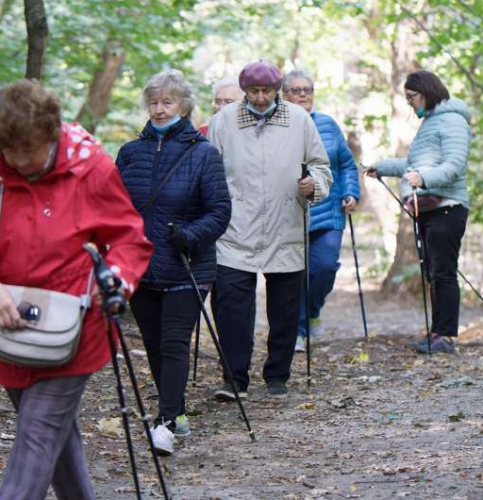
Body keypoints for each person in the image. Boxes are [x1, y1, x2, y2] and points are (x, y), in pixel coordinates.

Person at [0, 79, 152, 500]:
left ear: (52, 135)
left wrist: (117, 279)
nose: (17, 160)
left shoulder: (90, 169)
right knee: (54, 437)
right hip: (10, 329)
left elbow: (129, 239)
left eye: (27, 150)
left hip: (75, 328)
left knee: (38, 431)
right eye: (9, 150)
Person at [116, 69, 231, 455]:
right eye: (153, 102)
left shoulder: (204, 154)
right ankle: (177, 409)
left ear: (183, 106)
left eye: (167, 102)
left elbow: (219, 212)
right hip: (142, 266)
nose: (159, 109)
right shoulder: (131, 153)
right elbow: (114, 208)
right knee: (152, 344)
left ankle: (164, 424)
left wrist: (189, 235)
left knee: (174, 341)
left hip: (187, 265)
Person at [208, 61, 332, 399]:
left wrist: (314, 186)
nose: (261, 98)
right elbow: (209, 170)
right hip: (235, 227)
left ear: (277, 90)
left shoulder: (300, 119)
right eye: (254, 92)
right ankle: (234, 379)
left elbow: (321, 166)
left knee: (285, 307)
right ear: (244, 90)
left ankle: (278, 374)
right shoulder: (223, 122)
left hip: (286, 221)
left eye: (267, 92)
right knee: (232, 307)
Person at [366, 69, 470, 354]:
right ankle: (436, 332)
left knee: (444, 273)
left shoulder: (452, 121)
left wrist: (424, 179)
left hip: (447, 207)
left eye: (411, 97)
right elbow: (413, 164)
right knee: (433, 273)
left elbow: (455, 165)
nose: (410, 103)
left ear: (427, 91)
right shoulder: (431, 123)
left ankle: (446, 337)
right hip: (428, 209)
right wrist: (383, 168)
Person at [282, 70, 361, 352]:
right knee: (294, 276)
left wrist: (351, 192)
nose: (303, 94)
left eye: (307, 89)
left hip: (328, 213)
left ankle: (312, 311)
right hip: (290, 214)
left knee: (324, 268)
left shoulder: (327, 124)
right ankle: (300, 330)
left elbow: (347, 165)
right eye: (296, 90)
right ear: (284, 95)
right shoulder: (280, 126)